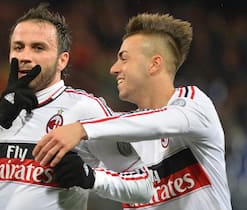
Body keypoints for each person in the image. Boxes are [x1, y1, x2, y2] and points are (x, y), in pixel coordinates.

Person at [0, 4, 154, 210]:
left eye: (38, 48)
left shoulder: (86, 110)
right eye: (18, 47)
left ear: (62, 60)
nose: (25, 56)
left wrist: (90, 177)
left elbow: (144, 188)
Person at [33, 13, 232, 210]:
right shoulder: (122, 134)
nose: (114, 68)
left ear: (154, 64)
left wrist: (81, 128)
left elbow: (159, 122)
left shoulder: (195, 106)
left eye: (124, 58)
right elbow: (118, 182)